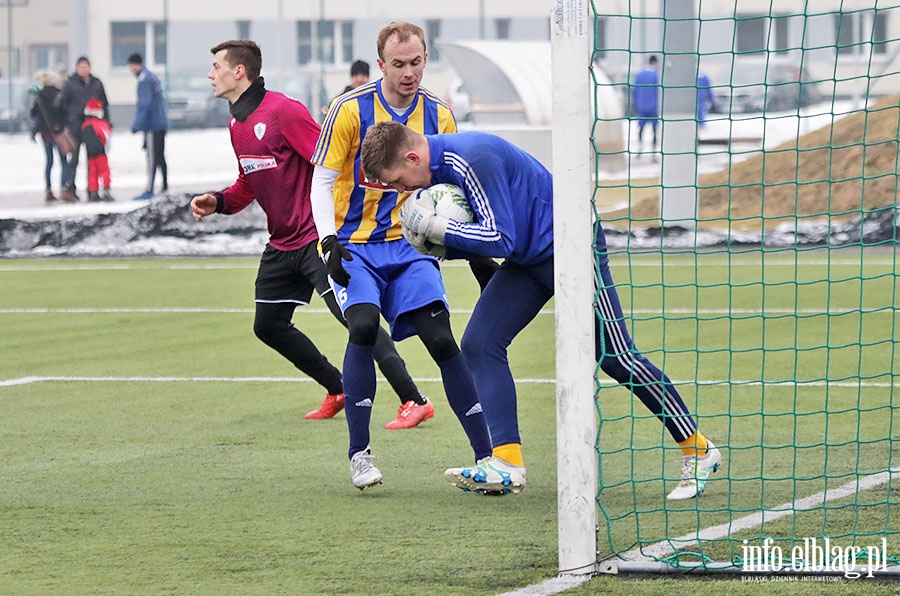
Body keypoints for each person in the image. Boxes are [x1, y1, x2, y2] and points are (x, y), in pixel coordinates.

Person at [360, 120, 723, 500]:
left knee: (616, 357)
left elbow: (500, 236)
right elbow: (502, 237)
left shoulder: (473, 158)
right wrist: (439, 248)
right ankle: (506, 462)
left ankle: (698, 448)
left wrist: (439, 229)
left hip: (572, 245)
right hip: (530, 257)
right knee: (480, 344)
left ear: (413, 156)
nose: (403, 191)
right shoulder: (440, 168)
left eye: (400, 180)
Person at [189, 39, 434, 439]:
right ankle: (336, 387)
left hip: (315, 239)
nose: (210, 74)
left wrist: (344, 224)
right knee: (267, 325)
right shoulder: (237, 124)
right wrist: (218, 201)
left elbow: (332, 166)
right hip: (282, 242)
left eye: (216, 65)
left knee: (358, 323)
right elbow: (248, 183)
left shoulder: (285, 112)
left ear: (239, 72)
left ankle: (415, 399)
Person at [309, 22, 492, 490]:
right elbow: (323, 181)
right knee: (364, 327)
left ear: (425, 59)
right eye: (398, 64)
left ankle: (487, 456)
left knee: (441, 339)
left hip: (412, 246)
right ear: (381, 64)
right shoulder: (349, 110)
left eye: (416, 62)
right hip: (355, 245)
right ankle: (359, 455)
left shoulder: (440, 115)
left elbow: (455, 187)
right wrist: (328, 241)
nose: (409, 72)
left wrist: (473, 250)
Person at [57, 56, 110, 202]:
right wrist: (68, 120)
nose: (83, 69)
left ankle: (92, 189)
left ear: (90, 67)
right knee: (73, 159)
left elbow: (104, 103)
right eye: (81, 67)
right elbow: (62, 105)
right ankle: (70, 188)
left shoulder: (97, 83)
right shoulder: (70, 84)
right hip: (76, 126)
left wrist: (106, 122)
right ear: (76, 68)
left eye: (86, 67)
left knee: (93, 159)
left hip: (93, 127)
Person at [127, 53, 169, 200]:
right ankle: (164, 187)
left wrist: (136, 125)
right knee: (160, 155)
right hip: (160, 122)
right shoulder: (151, 76)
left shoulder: (144, 80)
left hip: (152, 124)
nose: (130, 70)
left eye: (130, 66)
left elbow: (144, 104)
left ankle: (149, 189)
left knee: (152, 157)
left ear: (135, 64)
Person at [28, 70, 70, 204]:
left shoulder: (39, 96)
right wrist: (61, 126)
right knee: (64, 162)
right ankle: (64, 188)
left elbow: (34, 114)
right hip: (58, 133)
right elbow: (65, 114)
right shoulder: (59, 95)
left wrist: (35, 131)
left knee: (49, 162)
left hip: (46, 134)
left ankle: (48, 190)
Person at [80, 97, 114, 202]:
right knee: (104, 171)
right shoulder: (101, 124)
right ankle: (106, 191)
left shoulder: (85, 124)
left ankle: (93, 192)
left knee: (92, 172)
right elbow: (106, 137)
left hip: (90, 153)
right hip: (100, 152)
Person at [632, 55, 660, 155]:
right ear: (656, 63)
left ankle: (640, 149)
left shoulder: (640, 74)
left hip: (642, 106)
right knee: (654, 129)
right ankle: (654, 151)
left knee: (641, 128)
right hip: (654, 106)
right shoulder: (657, 75)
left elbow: (634, 91)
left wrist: (636, 104)